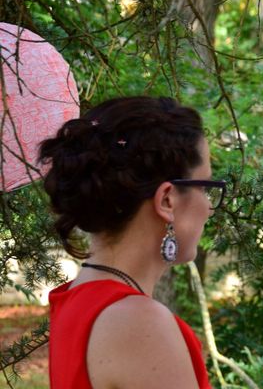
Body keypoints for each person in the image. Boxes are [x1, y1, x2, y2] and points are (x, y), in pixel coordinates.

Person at [41, 96, 226, 389]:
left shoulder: (78, 297)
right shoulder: (139, 323)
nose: (210, 207)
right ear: (167, 200)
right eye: (205, 187)